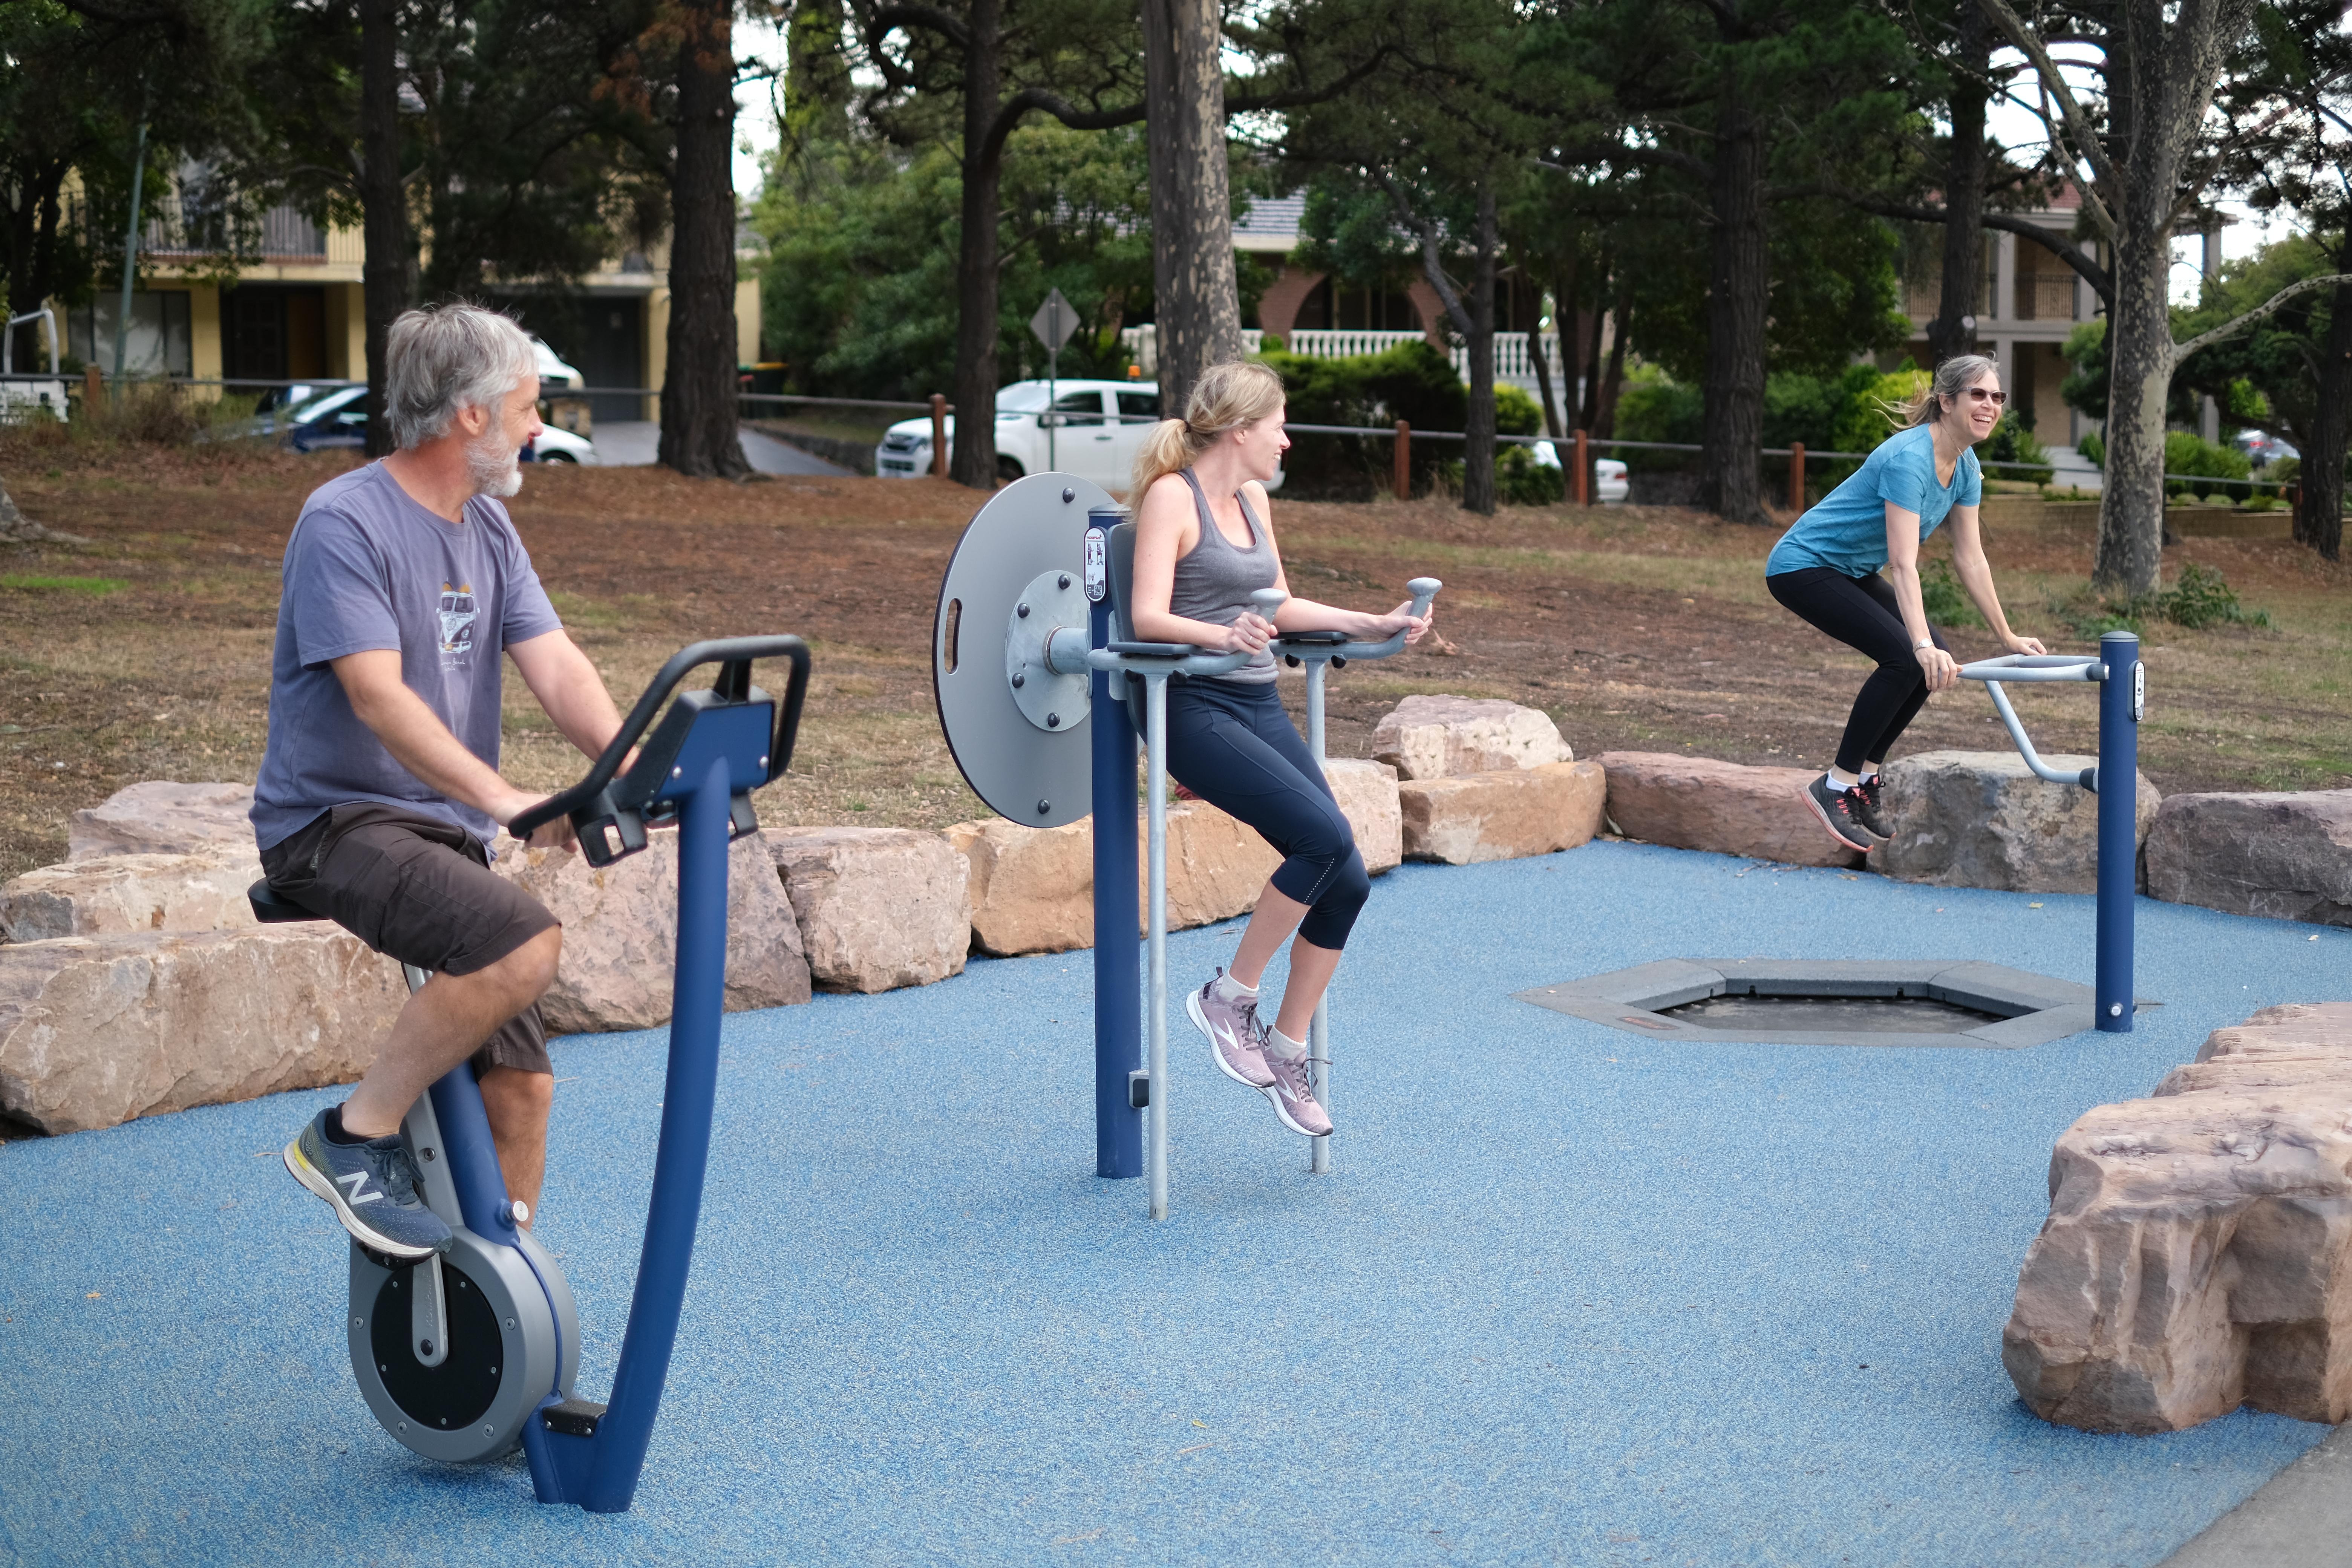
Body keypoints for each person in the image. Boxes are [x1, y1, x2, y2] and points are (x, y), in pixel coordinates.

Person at [260, 303, 628, 1259]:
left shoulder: (491, 528)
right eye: (529, 405)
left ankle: (500, 1305)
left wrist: (632, 764)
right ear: (470, 414)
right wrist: (508, 802)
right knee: (523, 948)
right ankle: (350, 1138)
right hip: (335, 821)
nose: (540, 426)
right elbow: (379, 700)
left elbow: (559, 668)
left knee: (523, 1088)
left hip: (438, 833)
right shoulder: (345, 520)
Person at [1126, 361, 1431, 1138]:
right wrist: (1221, 633)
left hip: (1257, 700)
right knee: (1322, 837)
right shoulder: (1174, 496)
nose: (1287, 440)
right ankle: (1228, 998)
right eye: (1278, 425)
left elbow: (1282, 604)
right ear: (1239, 430)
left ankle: (1287, 1049)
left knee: (1349, 879)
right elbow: (1148, 614)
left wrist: (1374, 621)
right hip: (1195, 710)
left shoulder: (1255, 500)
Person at [1766, 354, 2047, 850]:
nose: (1990, 405)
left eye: (1997, 397)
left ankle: (1864, 780)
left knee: (1932, 654)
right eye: (1978, 395)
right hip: (1802, 566)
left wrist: (2006, 635)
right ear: (1947, 402)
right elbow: (1904, 563)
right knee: (1907, 657)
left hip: (1847, 571)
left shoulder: (1965, 466)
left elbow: (1971, 559)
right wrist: (1917, 644)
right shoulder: (1909, 459)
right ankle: (1833, 786)